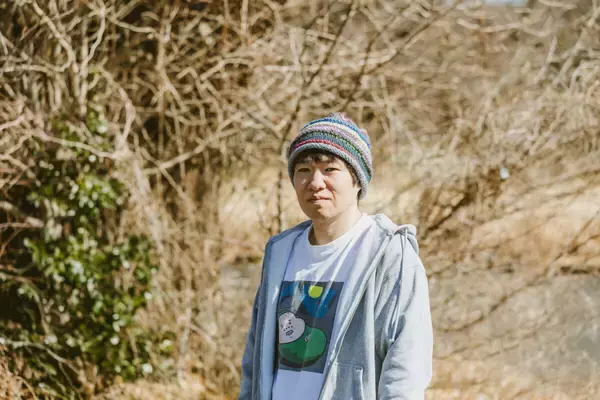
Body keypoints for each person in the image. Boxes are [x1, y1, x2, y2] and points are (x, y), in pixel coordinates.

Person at [238, 112, 433, 400]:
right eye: (303, 170)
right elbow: (255, 358)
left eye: (329, 169)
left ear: (358, 180)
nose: (315, 182)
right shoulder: (279, 253)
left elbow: (407, 365)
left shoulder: (389, 253)